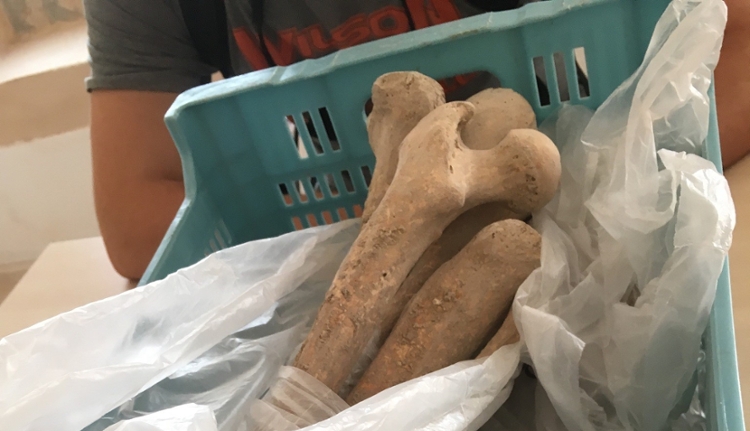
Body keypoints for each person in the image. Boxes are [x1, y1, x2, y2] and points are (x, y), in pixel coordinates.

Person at [83, 0, 750, 280]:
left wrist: (581, 215)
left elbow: (740, 39)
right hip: (342, 222)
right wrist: (396, 240)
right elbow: (135, 213)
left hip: (580, 219)